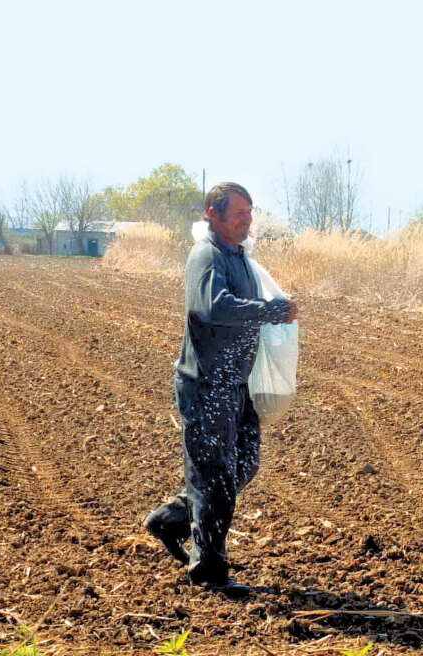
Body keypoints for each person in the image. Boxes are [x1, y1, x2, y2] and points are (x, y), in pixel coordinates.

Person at [144, 182, 300, 599]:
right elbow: (212, 307)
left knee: (243, 465)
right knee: (215, 479)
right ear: (212, 214)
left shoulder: (239, 256)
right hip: (206, 384)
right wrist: (271, 311)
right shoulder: (207, 255)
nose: (247, 220)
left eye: (250, 213)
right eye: (238, 213)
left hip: (236, 385)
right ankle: (209, 571)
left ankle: (171, 518)